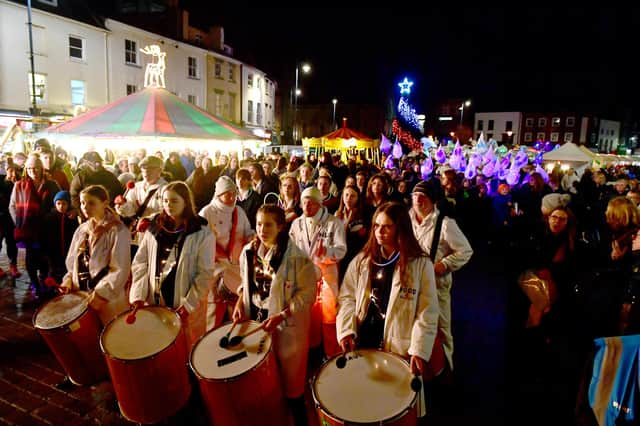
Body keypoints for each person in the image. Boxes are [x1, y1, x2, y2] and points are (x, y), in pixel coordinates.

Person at [233, 205, 319, 426]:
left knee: (292, 388)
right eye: (259, 224)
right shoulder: (248, 251)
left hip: (286, 328)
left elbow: (307, 294)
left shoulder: (297, 258)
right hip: (258, 320)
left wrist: (283, 314)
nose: (262, 229)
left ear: (281, 227)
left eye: (268, 224)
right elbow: (245, 282)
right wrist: (240, 301)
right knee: (264, 380)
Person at [337, 202, 442, 380]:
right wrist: (346, 330)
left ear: (400, 229)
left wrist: (418, 349)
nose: (379, 232)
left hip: (399, 345)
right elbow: (347, 297)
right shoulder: (362, 260)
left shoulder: (420, 264)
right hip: (364, 340)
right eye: (377, 226)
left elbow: (427, 312)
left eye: (387, 227)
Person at [130, 182, 215, 348]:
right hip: (155, 301)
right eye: (165, 200)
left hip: (183, 304)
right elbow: (140, 262)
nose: (169, 205)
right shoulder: (155, 227)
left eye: (174, 201)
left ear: (185, 202)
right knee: (158, 347)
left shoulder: (202, 233)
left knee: (186, 348)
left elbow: (205, 274)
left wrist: (188, 306)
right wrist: (139, 295)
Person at [409, 180, 473, 371]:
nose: (418, 200)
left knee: (441, 327)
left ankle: (445, 369)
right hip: (412, 283)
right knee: (415, 325)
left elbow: (466, 251)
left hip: (437, 286)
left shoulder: (445, 224)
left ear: (432, 200)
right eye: (415, 196)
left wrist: (444, 264)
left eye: (423, 196)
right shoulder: (407, 220)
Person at [60, 185, 131, 325]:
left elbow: (119, 269)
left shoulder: (118, 231)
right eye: (82, 203)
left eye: (91, 203)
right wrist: (68, 279)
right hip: (82, 297)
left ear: (105, 203)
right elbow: (73, 261)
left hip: (108, 301)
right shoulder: (82, 230)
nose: (85, 207)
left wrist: (101, 294)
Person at [289, 187, 346, 357]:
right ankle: (313, 351)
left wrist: (326, 253)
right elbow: (291, 249)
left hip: (327, 276)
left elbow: (341, 249)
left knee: (329, 317)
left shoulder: (333, 223)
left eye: (311, 203)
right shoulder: (296, 224)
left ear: (319, 204)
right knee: (310, 316)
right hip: (305, 277)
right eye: (304, 203)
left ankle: (332, 354)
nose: (307, 207)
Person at [199, 176, 254, 328]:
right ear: (218, 195)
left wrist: (252, 238)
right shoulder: (207, 212)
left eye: (234, 194)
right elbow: (199, 240)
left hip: (236, 267)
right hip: (214, 268)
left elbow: (247, 232)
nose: (231, 197)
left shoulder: (239, 211)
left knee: (236, 306)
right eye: (227, 194)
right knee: (213, 309)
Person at [10, 154, 60, 297]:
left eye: (36, 168)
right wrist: (19, 223)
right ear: (26, 169)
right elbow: (12, 206)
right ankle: (34, 283)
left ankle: (44, 280)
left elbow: (58, 202)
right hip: (28, 229)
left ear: (41, 168)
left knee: (45, 255)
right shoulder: (19, 185)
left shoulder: (52, 184)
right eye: (30, 168)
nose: (33, 171)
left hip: (46, 228)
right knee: (31, 256)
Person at [115, 156, 167, 251]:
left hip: (155, 233)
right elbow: (130, 212)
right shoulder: (136, 187)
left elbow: (166, 211)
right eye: (143, 169)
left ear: (160, 170)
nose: (146, 172)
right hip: (136, 233)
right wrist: (123, 204)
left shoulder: (165, 189)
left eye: (150, 169)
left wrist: (151, 220)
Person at [42, 191, 78, 284]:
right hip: (53, 251)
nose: (61, 206)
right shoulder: (49, 218)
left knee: (66, 271)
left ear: (68, 204)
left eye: (64, 204)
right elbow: (44, 235)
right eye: (58, 203)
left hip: (68, 250)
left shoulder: (72, 218)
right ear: (55, 204)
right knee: (53, 270)